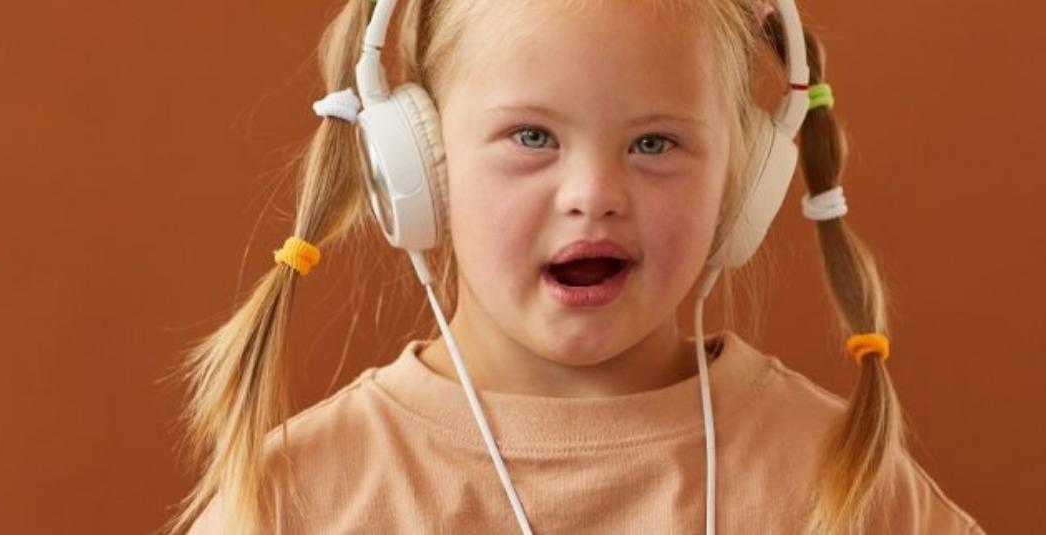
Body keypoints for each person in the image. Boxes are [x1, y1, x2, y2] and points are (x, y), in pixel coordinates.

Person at [169, 0, 983, 533]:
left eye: (654, 143)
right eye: (532, 137)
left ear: (745, 178)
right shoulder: (300, 500)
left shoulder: (836, 482)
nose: (594, 194)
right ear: (418, 159)